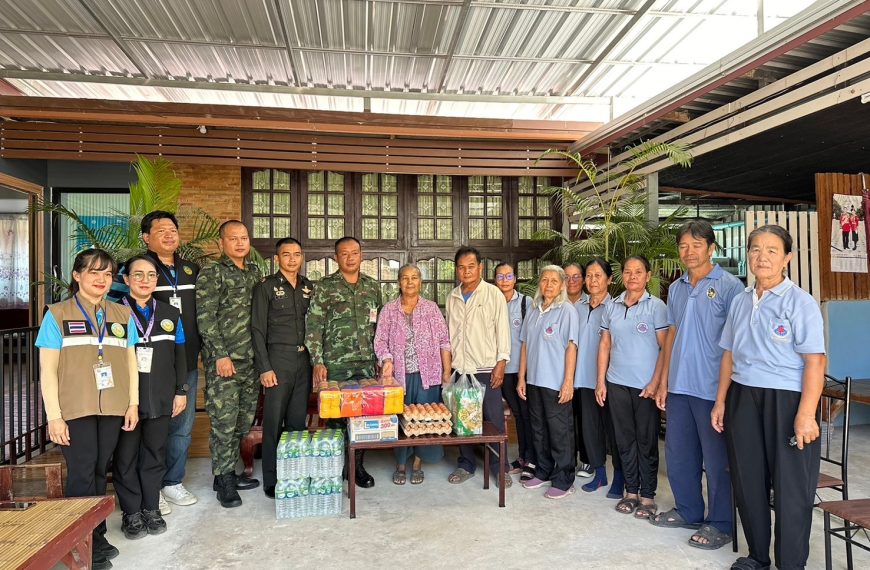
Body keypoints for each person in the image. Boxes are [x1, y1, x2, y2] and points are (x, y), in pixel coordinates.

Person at [712, 225, 826, 570]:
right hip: (743, 397)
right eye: (756, 249)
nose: (762, 257)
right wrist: (720, 401)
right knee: (748, 480)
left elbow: (815, 361)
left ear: (787, 258)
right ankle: (758, 556)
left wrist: (806, 415)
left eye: (772, 250)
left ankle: (791, 564)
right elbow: (728, 355)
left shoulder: (800, 303)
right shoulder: (741, 301)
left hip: (787, 400)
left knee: (791, 488)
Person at [35, 248, 140, 570]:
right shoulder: (57, 314)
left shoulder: (121, 315)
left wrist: (132, 403)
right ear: (77, 275)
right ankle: (82, 544)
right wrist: (54, 416)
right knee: (81, 473)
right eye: (94, 272)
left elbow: (131, 363)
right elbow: (47, 371)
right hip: (74, 408)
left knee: (98, 470)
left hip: (112, 405)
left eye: (107, 274)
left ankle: (96, 534)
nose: (101, 279)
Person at [650, 221, 743, 550]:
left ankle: (721, 522)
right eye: (683, 246)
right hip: (679, 387)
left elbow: (735, 344)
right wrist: (663, 382)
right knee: (679, 455)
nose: (688, 252)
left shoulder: (731, 287)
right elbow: (672, 336)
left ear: (712, 248)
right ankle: (689, 509)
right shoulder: (675, 288)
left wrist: (724, 394)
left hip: (710, 388)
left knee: (716, 461)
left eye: (696, 245)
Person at [114, 256, 188, 539]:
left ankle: (150, 507)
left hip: (160, 397)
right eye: (138, 274)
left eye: (151, 275)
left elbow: (180, 354)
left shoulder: (170, 314)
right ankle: (131, 512)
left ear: (157, 280)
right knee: (126, 457)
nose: (145, 280)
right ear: (126, 279)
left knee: (155, 455)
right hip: (125, 401)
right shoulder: (114, 313)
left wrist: (181, 390)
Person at [196, 220, 263, 508]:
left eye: (244, 238)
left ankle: (227, 471)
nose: (239, 243)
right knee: (223, 422)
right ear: (221, 243)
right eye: (233, 238)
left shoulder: (254, 272)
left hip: (250, 361)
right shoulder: (212, 273)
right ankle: (223, 479)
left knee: (242, 419)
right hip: (225, 361)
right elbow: (205, 318)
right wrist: (219, 355)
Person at [306, 236, 382, 487]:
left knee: (362, 416)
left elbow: (380, 325)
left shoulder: (372, 287)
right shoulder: (326, 286)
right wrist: (317, 360)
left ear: (361, 255)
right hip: (336, 364)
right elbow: (314, 325)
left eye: (355, 253)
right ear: (336, 257)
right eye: (345, 254)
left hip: (366, 364)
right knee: (337, 417)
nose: (350, 258)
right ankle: (337, 466)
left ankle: (356, 467)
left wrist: (382, 358)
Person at [597, 255, 667, 520]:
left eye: (639, 271)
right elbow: (605, 345)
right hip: (616, 383)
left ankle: (647, 496)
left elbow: (664, 348)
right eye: (628, 272)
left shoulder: (656, 307)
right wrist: (601, 380)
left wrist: (656, 382)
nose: (633, 276)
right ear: (622, 276)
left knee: (646, 442)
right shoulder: (612, 306)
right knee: (624, 441)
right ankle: (631, 492)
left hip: (644, 388)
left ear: (648, 276)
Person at [374, 264, 451, 486]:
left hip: (428, 374)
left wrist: (446, 371)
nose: (410, 282)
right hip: (399, 376)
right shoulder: (389, 310)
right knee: (400, 417)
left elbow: (444, 341)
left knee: (425, 419)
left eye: (414, 278)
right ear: (399, 282)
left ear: (420, 282)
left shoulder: (431, 308)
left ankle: (418, 462)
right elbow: (379, 341)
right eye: (405, 278)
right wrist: (387, 359)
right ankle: (400, 463)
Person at [251, 237, 314, 498]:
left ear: (301, 258)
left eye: (297, 254)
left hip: (303, 361)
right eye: (286, 254)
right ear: (277, 258)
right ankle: (272, 478)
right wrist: (264, 368)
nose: (292, 259)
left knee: (298, 422)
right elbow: (257, 329)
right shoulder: (265, 287)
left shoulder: (309, 287)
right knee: (274, 422)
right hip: (277, 360)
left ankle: (294, 473)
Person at [445, 246, 512, 487]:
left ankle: (500, 467)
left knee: (492, 420)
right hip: (460, 369)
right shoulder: (452, 296)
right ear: (457, 270)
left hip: (486, 369)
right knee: (462, 420)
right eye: (461, 267)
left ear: (480, 268)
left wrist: (501, 362)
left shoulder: (493, 294)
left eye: (471, 266)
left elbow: (502, 330)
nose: (466, 271)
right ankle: (466, 464)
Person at [517, 265, 579, 499]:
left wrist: (568, 382)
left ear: (562, 285)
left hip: (555, 382)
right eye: (545, 280)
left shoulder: (567, 311)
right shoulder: (534, 310)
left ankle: (564, 479)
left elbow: (571, 347)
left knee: (559, 431)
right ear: (539, 284)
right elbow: (524, 345)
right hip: (534, 380)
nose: (549, 284)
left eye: (554, 281)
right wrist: (522, 377)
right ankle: (543, 471)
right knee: (539, 429)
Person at [573, 258, 624, 497]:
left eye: (598, 276)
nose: (593, 280)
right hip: (582, 380)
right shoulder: (576, 308)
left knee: (614, 432)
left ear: (610, 279)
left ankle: (620, 478)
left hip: (608, 381)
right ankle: (600, 474)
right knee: (590, 430)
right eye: (589, 276)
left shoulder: (616, 308)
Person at [494, 262, 535, 481]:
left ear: (515, 279)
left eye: (508, 276)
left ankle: (531, 459)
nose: (504, 280)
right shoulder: (491, 301)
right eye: (500, 277)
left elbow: (530, 338)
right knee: (517, 415)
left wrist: (524, 373)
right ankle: (522, 458)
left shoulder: (526, 303)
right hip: (501, 368)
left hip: (521, 369)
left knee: (527, 414)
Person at [565, 262, 592, 479]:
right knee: (566, 419)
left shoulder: (590, 303)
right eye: (567, 277)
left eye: (576, 277)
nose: (571, 281)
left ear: (583, 280)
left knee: (585, 419)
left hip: (584, 373)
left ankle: (588, 460)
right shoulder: (557, 303)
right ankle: (568, 458)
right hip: (562, 373)